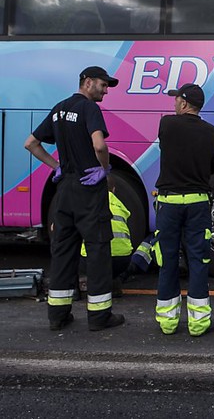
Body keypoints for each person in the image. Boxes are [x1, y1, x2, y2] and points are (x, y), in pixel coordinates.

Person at [24, 65, 125, 331]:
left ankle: (57, 316)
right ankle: (100, 317)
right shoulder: (89, 108)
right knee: (98, 250)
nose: (105, 90)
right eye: (103, 85)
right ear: (87, 82)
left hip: (65, 190)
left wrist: (55, 166)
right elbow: (99, 145)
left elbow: (31, 143)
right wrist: (104, 171)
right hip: (88, 190)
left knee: (63, 252)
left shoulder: (58, 108)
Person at [154, 83, 214, 336]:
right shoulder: (211, 132)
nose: (173, 104)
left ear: (183, 103)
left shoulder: (167, 124)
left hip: (169, 203)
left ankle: (168, 323)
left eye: (175, 100)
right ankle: (199, 324)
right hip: (198, 202)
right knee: (199, 261)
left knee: (167, 259)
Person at [79, 178, 134, 296]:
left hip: (96, 261)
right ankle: (114, 282)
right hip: (122, 261)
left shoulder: (88, 203)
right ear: (113, 190)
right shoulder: (121, 206)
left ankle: (72, 289)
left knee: (68, 245)